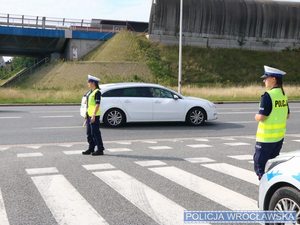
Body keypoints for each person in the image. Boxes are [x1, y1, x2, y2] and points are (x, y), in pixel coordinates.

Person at [254, 66, 290, 179]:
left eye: (266, 78)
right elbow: (288, 115)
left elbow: (262, 117)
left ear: (273, 79)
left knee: (260, 165)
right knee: (273, 164)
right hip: (278, 138)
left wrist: (256, 116)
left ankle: (265, 187)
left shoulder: (268, 95)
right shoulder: (283, 95)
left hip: (266, 139)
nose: (264, 80)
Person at [82, 75, 105, 156]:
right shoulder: (90, 92)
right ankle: (91, 148)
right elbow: (89, 104)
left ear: (93, 83)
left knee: (95, 133)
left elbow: (97, 104)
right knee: (89, 133)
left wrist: (94, 115)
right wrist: (86, 114)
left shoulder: (97, 92)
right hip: (89, 115)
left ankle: (100, 149)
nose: (88, 83)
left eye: (89, 82)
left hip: (94, 116)